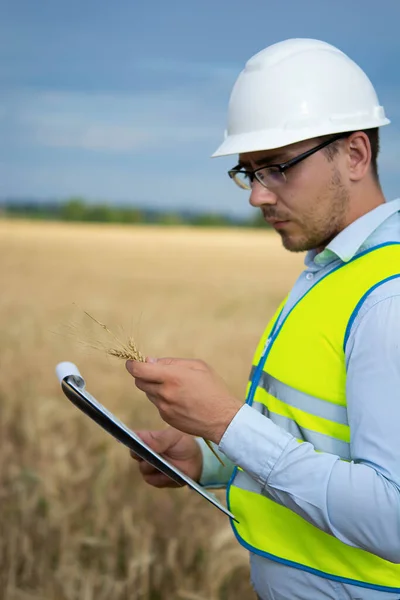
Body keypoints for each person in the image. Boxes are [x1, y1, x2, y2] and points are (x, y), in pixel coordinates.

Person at [125, 39, 400, 600]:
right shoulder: (332, 270)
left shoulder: (387, 298)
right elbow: (318, 445)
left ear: (354, 154)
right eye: (247, 172)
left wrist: (228, 423)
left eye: (276, 168)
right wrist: (213, 458)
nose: (256, 196)